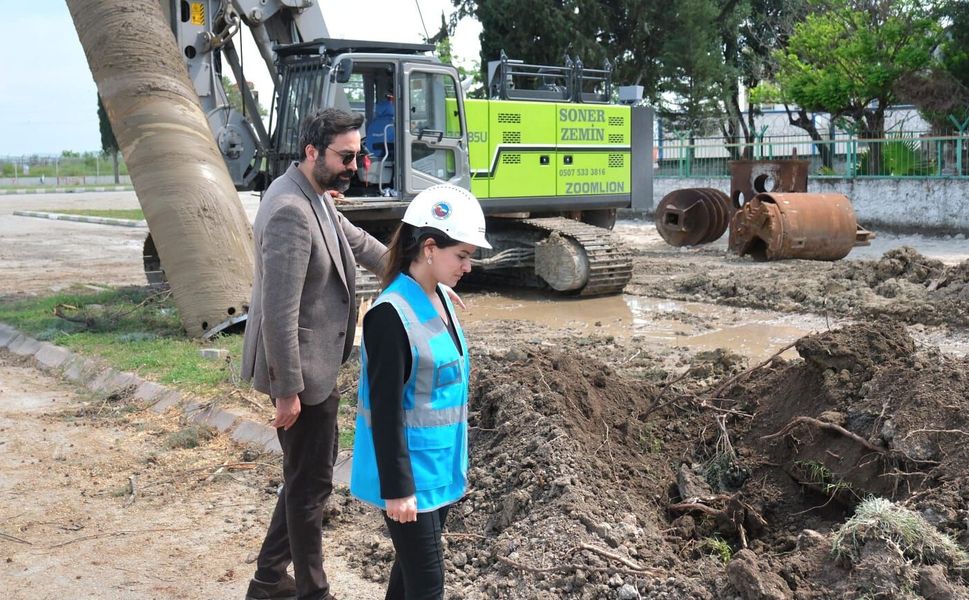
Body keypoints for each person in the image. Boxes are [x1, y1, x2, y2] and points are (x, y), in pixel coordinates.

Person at [240, 107, 387, 600]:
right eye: (346, 157)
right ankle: (313, 592)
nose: (354, 166)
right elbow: (278, 313)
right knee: (309, 488)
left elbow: (359, 243)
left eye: (357, 155)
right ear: (312, 152)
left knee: (308, 479)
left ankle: (267, 580)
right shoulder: (290, 210)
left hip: (315, 367)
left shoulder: (313, 194)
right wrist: (287, 392)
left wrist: (419, 275)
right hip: (300, 373)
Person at [349, 184, 491, 600]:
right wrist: (398, 490)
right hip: (412, 477)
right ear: (429, 248)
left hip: (440, 467)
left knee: (409, 576)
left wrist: (438, 290)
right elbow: (386, 410)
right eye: (461, 255)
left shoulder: (438, 298)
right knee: (428, 587)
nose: (468, 266)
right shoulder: (389, 316)